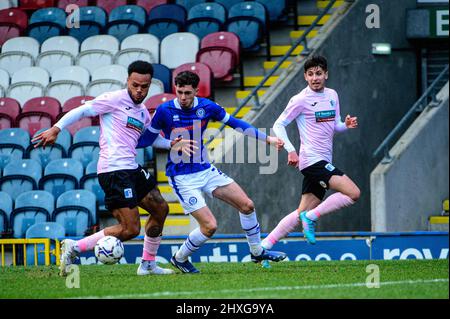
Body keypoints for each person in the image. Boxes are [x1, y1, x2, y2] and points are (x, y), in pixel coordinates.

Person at [32, 61, 195, 276]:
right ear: (127, 80)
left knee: (161, 209)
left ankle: (148, 265)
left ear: (150, 85)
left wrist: (172, 144)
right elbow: (83, 110)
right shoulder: (114, 99)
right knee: (130, 229)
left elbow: (149, 139)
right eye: (135, 85)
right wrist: (56, 128)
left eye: (144, 86)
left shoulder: (142, 111)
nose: (139, 90)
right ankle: (74, 247)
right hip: (113, 170)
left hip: (131, 168)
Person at [137, 71, 287, 273]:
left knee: (247, 206)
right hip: (181, 177)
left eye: (187, 93)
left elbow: (236, 124)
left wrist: (267, 139)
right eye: (179, 92)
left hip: (206, 170)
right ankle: (180, 258)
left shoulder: (207, 107)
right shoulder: (164, 111)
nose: (182, 97)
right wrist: (172, 143)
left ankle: (257, 251)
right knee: (209, 227)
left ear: (196, 91)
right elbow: (147, 140)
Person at [261, 55, 360, 267]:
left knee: (299, 213)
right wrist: (291, 150)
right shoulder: (300, 99)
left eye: (319, 73)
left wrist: (346, 125)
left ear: (326, 74)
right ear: (305, 76)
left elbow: (335, 125)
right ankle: (312, 217)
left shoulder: (332, 95)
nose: (315, 78)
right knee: (353, 193)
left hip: (324, 160)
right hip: (311, 161)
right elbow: (279, 125)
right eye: (311, 74)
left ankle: (264, 249)